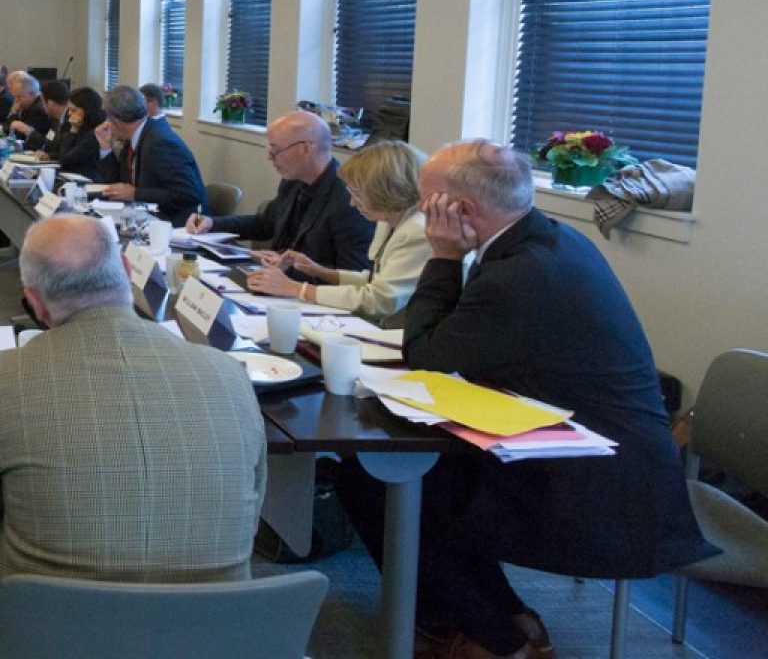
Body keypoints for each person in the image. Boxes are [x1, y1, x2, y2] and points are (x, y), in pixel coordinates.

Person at [335, 141, 709, 659]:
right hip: (580, 443)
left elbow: (426, 352)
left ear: (459, 211)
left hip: (598, 481)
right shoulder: (546, 239)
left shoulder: (517, 274)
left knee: (382, 478)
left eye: (427, 202)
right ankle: (494, 617)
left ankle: (500, 638)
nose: (421, 212)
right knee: (395, 472)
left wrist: (443, 257)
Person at [0, 216, 266, 659]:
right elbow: (251, 514)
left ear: (35, 303)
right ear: (125, 268)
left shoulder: (0, 378)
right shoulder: (229, 374)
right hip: (213, 627)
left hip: (50, 626)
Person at [245, 140, 435, 324]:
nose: (352, 203)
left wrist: (297, 289)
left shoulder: (417, 231)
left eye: (358, 194)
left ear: (385, 191)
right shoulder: (390, 218)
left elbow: (379, 300)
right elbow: (375, 279)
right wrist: (323, 272)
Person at [186, 110, 373, 275]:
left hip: (310, 299)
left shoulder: (349, 199)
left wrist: (289, 268)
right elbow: (266, 223)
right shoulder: (293, 181)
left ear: (305, 149)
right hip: (274, 281)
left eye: (275, 150)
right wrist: (212, 223)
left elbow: (352, 276)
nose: (269, 157)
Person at [91, 85, 205, 221]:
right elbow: (118, 184)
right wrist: (106, 147)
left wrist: (135, 193)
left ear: (114, 121)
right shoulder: (134, 136)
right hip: (145, 217)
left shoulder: (160, 142)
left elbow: (189, 194)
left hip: (181, 224)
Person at [43, 85, 105, 181]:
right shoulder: (82, 128)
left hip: (86, 181)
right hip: (71, 177)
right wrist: (50, 156)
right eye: (69, 109)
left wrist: (73, 130)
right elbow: (64, 150)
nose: (69, 113)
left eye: (73, 110)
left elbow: (65, 160)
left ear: (86, 110)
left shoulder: (95, 134)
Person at [19, 80, 71, 152]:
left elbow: (64, 149)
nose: (42, 106)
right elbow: (47, 143)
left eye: (42, 103)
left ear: (51, 103)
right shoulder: (55, 120)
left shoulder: (71, 120)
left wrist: (49, 155)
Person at [4, 71, 53, 137]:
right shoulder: (27, 104)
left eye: (19, 97)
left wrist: (14, 113)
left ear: (32, 93)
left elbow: (17, 135)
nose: (16, 100)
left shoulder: (38, 109)